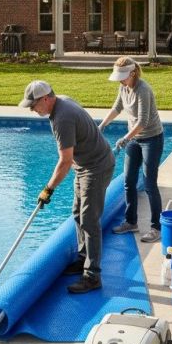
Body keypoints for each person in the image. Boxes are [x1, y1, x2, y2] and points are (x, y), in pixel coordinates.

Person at [19, 80, 115, 294]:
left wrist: (48, 190)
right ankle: (83, 259)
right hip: (84, 166)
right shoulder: (60, 102)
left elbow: (64, 161)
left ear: (45, 99)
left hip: (96, 167)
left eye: (33, 105)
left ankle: (92, 276)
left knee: (90, 220)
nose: (32, 110)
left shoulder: (63, 117)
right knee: (77, 214)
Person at [98, 57, 164, 243]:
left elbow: (143, 121)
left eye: (122, 76)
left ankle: (156, 228)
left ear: (132, 73)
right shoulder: (123, 87)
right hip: (134, 139)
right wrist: (102, 125)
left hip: (152, 139)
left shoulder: (143, 90)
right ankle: (131, 222)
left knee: (149, 183)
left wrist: (126, 138)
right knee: (128, 180)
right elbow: (117, 107)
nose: (120, 80)